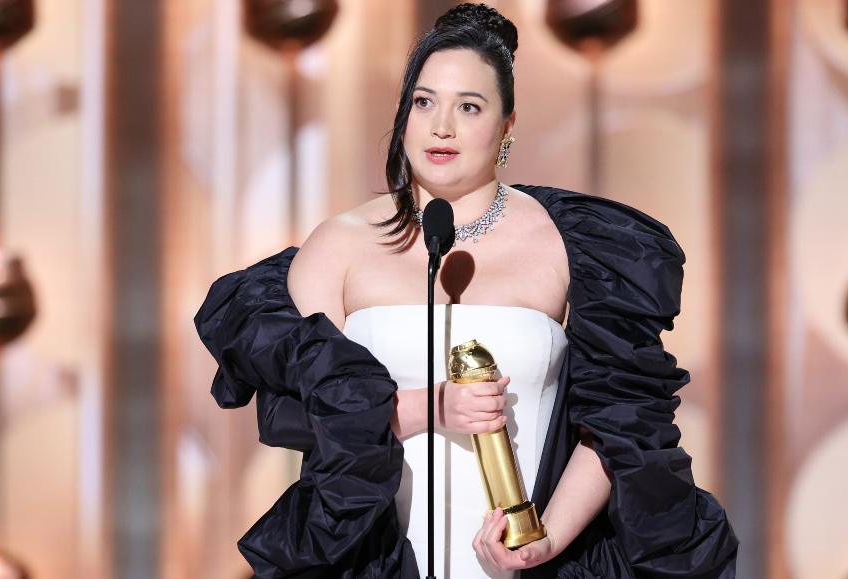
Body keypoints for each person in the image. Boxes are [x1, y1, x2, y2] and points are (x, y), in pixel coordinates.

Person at [194, 3, 738, 578]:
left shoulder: (575, 245)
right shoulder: (338, 247)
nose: (441, 127)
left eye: (469, 107)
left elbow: (617, 428)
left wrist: (543, 540)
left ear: (506, 127)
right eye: (424, 102)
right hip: (373, 560)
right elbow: (306, 414)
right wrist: (428, 407)